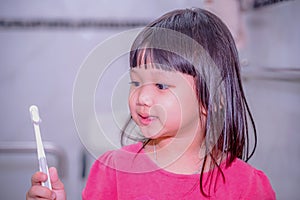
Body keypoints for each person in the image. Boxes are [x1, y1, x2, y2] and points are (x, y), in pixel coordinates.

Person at [26, 8, 276, 199]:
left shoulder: (249, 186)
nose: (141, 98)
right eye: (136, 83)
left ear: (213, 98)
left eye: (161, 85)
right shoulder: (112, 170)